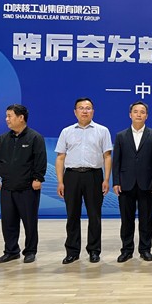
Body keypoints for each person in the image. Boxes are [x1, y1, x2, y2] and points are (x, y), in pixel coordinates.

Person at [55, 97, 113, 264]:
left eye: (88, 108)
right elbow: (60, 158)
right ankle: (72, 251)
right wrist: (60, 181)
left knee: (94, 215)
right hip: (72, 176)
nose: (85, 111)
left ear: (93, 111)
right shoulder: (66, 131)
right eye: (81, 108)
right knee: (72, 215)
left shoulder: (102, 131)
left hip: (94, 176)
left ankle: (94, 251)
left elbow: (107, 156)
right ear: (75, 112)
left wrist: (106, 179)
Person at [0, 104, 47, 264]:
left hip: (28, 188)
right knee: (8, 222)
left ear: (21, 118)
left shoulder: (35, 138)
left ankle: (30, 251)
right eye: (6, 116)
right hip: (7, 187)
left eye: (10, 116)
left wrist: (38, 178)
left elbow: (40, 160)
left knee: (29, 222)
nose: (7, 119)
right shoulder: (2, 139)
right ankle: (11, 251)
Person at [112, 101, 152, 263]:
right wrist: (116, 181)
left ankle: (145, 249)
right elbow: (116, 161)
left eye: (142, 112)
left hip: (147, 183)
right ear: (130, 114)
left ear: (147, 116)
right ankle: (126, 250)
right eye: (135, 111)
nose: (139, 114)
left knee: (146, 219)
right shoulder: (121, 136)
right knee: (126, 220)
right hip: (125, 184)